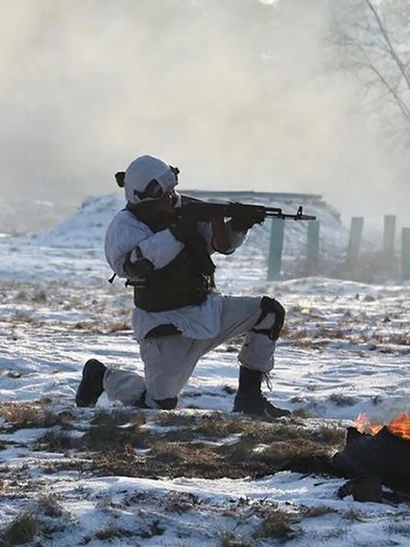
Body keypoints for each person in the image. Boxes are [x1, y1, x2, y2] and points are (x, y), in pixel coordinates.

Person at [75, 155, 291, 418]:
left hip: (208, 310)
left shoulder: (183, 210)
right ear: (143, 198)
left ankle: (250, 399)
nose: (171, 199)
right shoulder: (125, 227)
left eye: (171, 192)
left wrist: (237, 225)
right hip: (166, 326)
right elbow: (135, 264)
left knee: (268, 312)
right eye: (163, 196)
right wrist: (177, 232)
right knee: (158, 406)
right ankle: (102, 378)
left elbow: (219, 245)